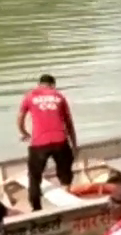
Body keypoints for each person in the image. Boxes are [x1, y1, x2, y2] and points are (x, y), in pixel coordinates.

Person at [17, 74, 78, 211]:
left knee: (34, 176)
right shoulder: (59, 96)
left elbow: (20, 119)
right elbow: (69, 123)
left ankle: (36, 208)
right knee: (65, 173)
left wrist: (25, 133)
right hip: (60, 141)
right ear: (53, 85)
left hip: (39, 143)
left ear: (39, 84)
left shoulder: (29, 96)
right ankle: (66, 201)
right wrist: (74, 145)